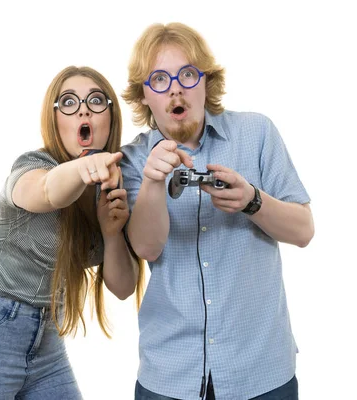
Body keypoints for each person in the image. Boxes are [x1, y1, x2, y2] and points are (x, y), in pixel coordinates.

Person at [119, 22, 314, 400]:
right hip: (169, 376)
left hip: (260, 373)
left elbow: (304, 230)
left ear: (206, 81)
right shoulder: (133, 161)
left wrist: (252, 201)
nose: (175, 88)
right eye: (159, 79)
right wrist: (153, 182)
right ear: (144, 95)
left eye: (187, 74)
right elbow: (146, 248)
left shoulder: (256, 133)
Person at [0, 65, 144, 400]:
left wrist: (111, 233)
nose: (82, 110)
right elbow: (48, 191)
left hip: (47, 339)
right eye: (68, 102)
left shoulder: (113, 187)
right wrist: (81, 167)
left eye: (95, 100)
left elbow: (123, 288)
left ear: (110, 115)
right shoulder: (33, 166)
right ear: (56, 120)